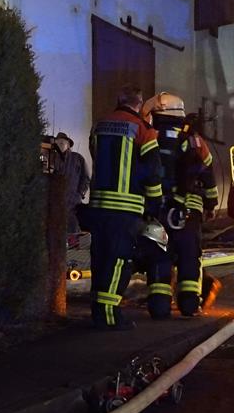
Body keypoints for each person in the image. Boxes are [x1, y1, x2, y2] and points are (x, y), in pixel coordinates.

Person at [88, 85, 163, 330]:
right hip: (126, 208)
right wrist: (155, 204)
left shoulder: (99, 125)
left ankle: (98, 312)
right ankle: (110, 316)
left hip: (99, 206)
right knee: (118, 260)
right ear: (140, 105)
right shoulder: (144, 130)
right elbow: (152, 172)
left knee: (99, 257)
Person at [140, 92, 220, 318]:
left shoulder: (150, 136)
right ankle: (189, 305)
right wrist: (211, 203)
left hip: (158, 209)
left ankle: (159, 305)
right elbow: (208, 173)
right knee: (189, 256)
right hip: (189, 211)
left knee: (159, 255)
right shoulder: (195, 140)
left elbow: (144, 171)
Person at [54, 132, 90, 234]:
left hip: (73, 202)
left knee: (73, 231)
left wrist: (80, 193)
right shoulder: (53, 159)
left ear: (68, 144)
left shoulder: (77, 158)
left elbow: (86, 177)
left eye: (62, 143)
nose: (59, 145)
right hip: (57, 203)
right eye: (57, 143)